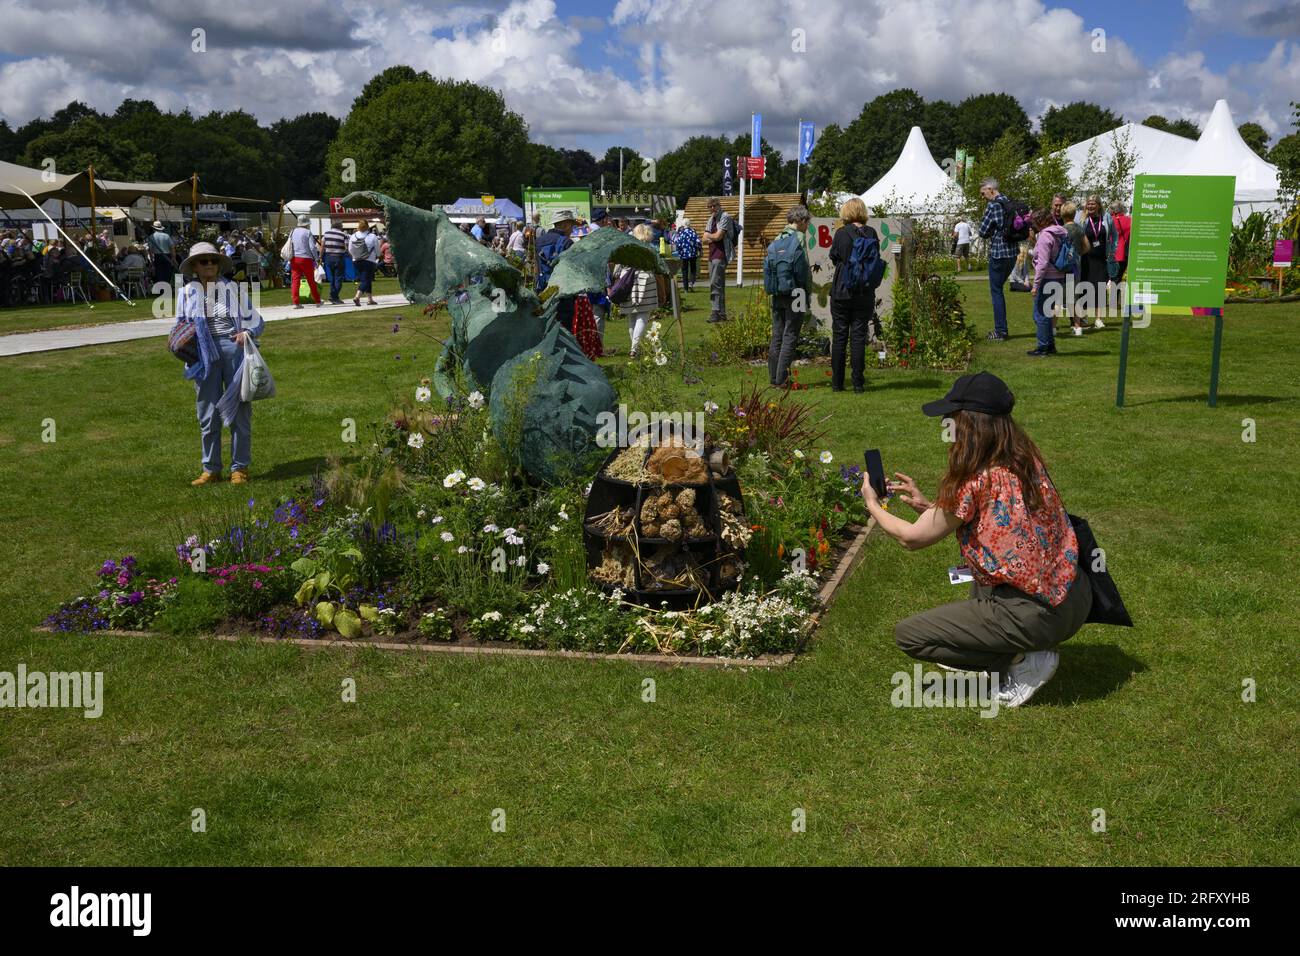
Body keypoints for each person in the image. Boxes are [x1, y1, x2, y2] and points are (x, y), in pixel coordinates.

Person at [860, 372, 1092, 707]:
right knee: (976, 575)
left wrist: (871, 503)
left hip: (1036, 616)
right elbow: (996, 517)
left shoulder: (975, 479)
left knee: (910, 635)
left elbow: (910, 538)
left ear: (970, 424)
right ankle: (1016, 649)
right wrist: (929, 506)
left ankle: (1020, 661)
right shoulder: (1024, 459)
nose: (946, 425)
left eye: (951, 418)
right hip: (1074, 596)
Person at [174, 242, 267, 486]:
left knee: (240, 411)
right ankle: (211, 469)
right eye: (203, 261)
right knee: (207, 414)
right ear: (194, 266)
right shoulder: (186, 293)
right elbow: (180, 324)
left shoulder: (233, 289)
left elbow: (257, 322)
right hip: (202, 354)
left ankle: (240, 468)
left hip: (233, 349)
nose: (209, 265)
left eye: (213, 260)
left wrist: (245, 332)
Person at [828, 197, 880, 393]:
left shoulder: (841, 234)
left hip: (842, 291)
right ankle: (858, 383)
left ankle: (837, 383)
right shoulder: (872, 233)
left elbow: (834, 257)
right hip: (864, 292)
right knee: (858, 336)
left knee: (840, 336)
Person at [764, 204, 812, 387]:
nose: (807, 225)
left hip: (777, 293)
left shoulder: (777, 238)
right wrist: (807, 293)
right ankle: (782, 379)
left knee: (777, 334)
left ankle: (773, 378)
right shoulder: (799, 238)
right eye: (807, 221)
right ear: (800, 221)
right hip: (797, 293)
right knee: (791, 334)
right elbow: (804, 270)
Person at [611, 223, 660, 358]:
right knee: (642, 316)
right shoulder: (650, 249)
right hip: (645, 282)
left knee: (632, 316)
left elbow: (616, 271)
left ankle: (635, 348)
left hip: (627, 283)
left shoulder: (627, 249)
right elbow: (657, 266)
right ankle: (634, 349)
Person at [976, 178, 1017, 341]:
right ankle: (1001, 329)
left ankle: (1000, 330)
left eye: (983, 192)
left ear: (990, 189)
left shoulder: (993, 206)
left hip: (999, 253)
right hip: (1013, 252)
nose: (982, 196)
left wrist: (991, 229)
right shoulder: (1008, 201)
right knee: (999, 289)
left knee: (996, 292)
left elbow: (982, 231)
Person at [1028, 209, 1069, 357]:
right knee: (1048, 312)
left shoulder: (1045, 235)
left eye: (1035, 222)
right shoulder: (1061, 232)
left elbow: (1043, 263)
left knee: (1040, 314)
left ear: (1042, 221)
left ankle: (1043, 347)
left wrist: (1035, 285)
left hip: (1047, 278)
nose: (1034, 225)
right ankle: (1050, 345)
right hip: (1059, 276)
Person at [702, 197, 735, 323]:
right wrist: (712, 237)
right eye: (710, 206)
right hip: (712, 254)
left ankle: (715, 312)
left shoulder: (725, 216)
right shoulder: (712, 219)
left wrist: (711, 236)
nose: (712, 208)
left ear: (719, 205)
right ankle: (721, 313)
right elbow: (704, 238)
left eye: (714, 205)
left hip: (720, 254)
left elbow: (718, 236)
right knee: (717, 283)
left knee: (715, 283)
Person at [1060, 201, 1088, 336]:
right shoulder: (1079, 228)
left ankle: (1053, 327)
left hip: (1063, 265)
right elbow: (1087, 246)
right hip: (1076, 265)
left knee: (1058, 296)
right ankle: (1078, 327)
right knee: (1074, 296)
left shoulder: (1061, 230)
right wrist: (1078, 254)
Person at [1080, 196, 1108, 328]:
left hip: (1101, 259)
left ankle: (1098, 319)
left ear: (1098, 205)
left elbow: (1113, 235)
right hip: (1086, 259)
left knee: (1100, 289)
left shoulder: (1106, 219)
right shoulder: (1082, 220)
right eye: (1088, 204)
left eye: (1093, 204)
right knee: (1085, 287)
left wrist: (1112, 252)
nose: (1090, 206)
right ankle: (1083, 317)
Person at [288, 215, 322, 308]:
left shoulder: (292, 231)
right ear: (307, 223)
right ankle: (317, 301)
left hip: (294, 258)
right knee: (311, 280)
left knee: (295, 281)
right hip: (306, 258)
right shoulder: (308, 232)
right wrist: (317, 258)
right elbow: (312, 247)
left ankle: (296, 302)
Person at [1105, 200, 1131, 314]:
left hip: (1112, 253)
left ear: (1113, 210)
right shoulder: (1129, 220)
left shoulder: (1110, 221)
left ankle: (1109, 303)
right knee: (1118, 279)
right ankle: (1115, 302)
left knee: (1109, 277)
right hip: (1124, 254)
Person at [350, 219, 381, 306]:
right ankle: (357, 297)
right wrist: (378, 255)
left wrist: (355, 256)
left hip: (356, 261)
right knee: (366, 280)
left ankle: (370, 299)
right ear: (367, 226)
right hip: (369, 260)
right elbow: (377, 249)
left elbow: (350, 249)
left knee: (366, 279)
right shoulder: (372, 236)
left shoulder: (353, 236)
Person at [671, 213, 701, 293]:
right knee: (693, 269)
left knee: (684, 271)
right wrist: (699, 249)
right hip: (693, 253)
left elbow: (676, 241)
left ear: (683, 225)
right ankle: (691, 284)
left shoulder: (681, 233)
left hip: (683, 254)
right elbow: (698, 242)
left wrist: (679, 248)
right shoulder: (693, 232)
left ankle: (685, 288)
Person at [320, 220, 348, 304]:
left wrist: (320, 257)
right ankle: (334, 297)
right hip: (339, 257)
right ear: (340, 226)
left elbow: (322, 246)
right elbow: (346, 247)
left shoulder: (326, 233)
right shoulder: (343, 235)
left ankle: (333, 295)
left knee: (332, 278)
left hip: (328, 257)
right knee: (338, 278)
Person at [147, 220, 177, 287]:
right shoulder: (166, 236)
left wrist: (151, 259)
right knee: (167, 272)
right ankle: (166, 287)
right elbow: (172, 247)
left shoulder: (151, 237)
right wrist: (173, 258)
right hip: (167, 255)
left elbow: (150, 249)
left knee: (159, 272)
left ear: (154, 228)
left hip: (157, 256)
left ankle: (161, 289)